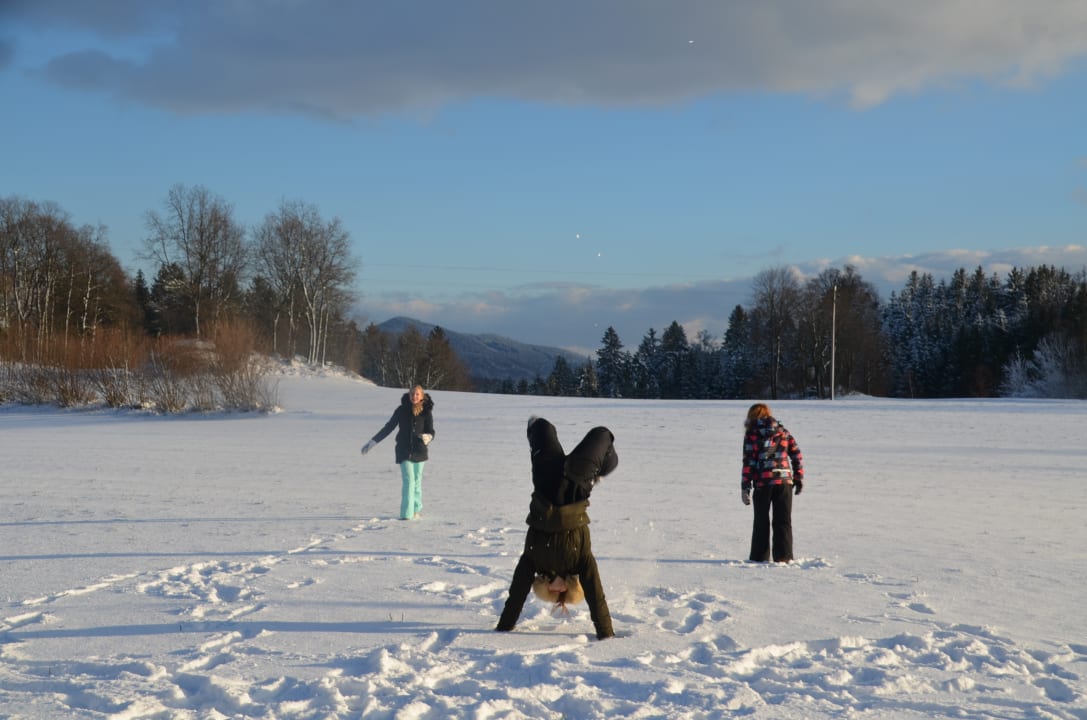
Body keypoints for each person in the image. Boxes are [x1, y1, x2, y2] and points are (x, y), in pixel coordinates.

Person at [496, 417, 618, 640]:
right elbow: (596, 595)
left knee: (539, 426)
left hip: (545, 485)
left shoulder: (533, 561)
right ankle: (604, 467)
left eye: (553, 593)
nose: (556, 589)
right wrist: (605, 633)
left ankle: (597, 465)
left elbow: (516, 594)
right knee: (602, 434)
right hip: (576, 486)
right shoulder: (580, 562)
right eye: (562, 593)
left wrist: (504, 626)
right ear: (570, 588)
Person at [741, 403, 804, 563]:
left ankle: (759, 557)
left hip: (763, 482)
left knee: (761, 520)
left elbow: (749, 462)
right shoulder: (783, 432)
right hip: (784, 481)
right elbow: (796, 454)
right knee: (783, 520)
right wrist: (798, 477)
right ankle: (784, 556)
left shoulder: (752, 434)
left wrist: (745, 487)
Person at [360, 385, 435, 520]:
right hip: (403, 450)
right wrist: (373, 442)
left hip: (420, 450)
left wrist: (428, 437)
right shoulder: (401, 410)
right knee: (409, 481)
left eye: (417, 394)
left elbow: (431, 430)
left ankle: (416, 509)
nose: (414, 396)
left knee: (417, 482)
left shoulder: (426, 412)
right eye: (412, 394)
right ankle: (406, 514)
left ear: (422, 396)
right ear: (409, 395)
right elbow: (388, 427)